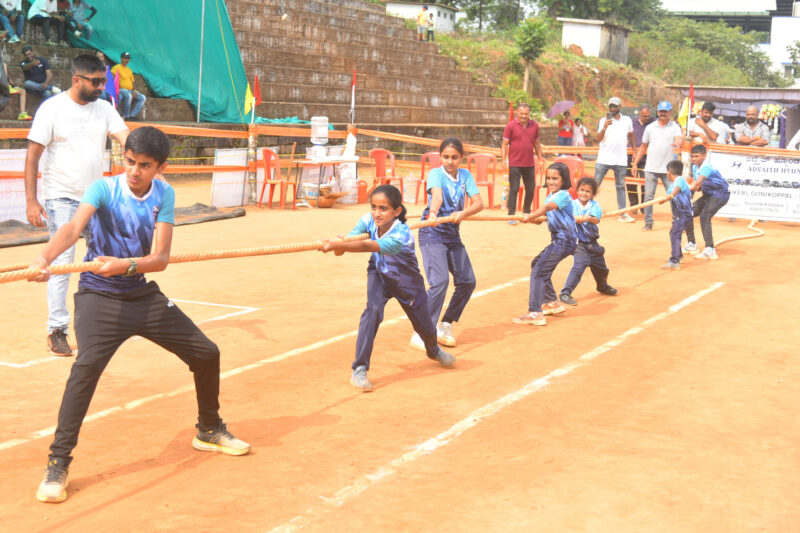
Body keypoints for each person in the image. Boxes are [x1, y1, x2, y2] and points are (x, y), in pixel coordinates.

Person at [28, 127, 250, 504]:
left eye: (145, 166)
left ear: (160, 167)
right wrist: (43, 259)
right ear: (123, 157)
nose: (134, 171)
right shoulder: (103, 189)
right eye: (130, 162)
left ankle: (209, 429)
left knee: (206, 353)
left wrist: (124, 265)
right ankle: (57, 462)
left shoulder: (164, 194)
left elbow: (159, 259)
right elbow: (72, 228)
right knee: (85, 370)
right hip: (98, 296)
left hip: (140, 293)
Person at [24, 54, 129, 357]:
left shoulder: (105, 108)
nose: (101, 87)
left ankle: (104, 320)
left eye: (103, 81)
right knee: (61, 263)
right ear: (77, 80)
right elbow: (32, 156)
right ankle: (57, 330)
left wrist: (146, 155)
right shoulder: (52, 109)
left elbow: (126, 138)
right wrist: (31, 200)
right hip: (61, 197)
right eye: (96, 82)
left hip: (96, 199)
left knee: (106, 258)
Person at [320, 184, 455, 392]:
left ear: (397, 211)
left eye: (383, 209)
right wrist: (339, 244)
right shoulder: (367, 220)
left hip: (406, 281)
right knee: (371, 312)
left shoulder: (402, 235)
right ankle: (360, 368)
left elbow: (366, 246)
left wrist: (340, 245)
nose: (377, 213)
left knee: (426, 327)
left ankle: (433, 349)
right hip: (379, 274)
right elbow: (347, 246)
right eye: (374, 207)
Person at [412, 137, 483, 350]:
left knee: (467, 281)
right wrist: (433, 213)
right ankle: (422, 331)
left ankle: (445, 324)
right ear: (440, 157)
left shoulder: (465, 176)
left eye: (454, 157)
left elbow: (479, 203)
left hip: (452, 233)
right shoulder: (436, 174)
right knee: (440, 281)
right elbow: (437, 196)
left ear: (461, 158)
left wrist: (464, 213)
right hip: (432, 232)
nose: (450, 162)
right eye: (445, 157)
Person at [512, 162, 577, 326]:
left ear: (564, 180)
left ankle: (535, 312)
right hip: (558, 240)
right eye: (549, 178)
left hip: (565, 240)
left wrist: (531, 214)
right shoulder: (550, 196)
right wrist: (532, 219)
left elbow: (547, 208)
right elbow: (544, 218)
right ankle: (551, 301)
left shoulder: (563, 195)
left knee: (539, 271)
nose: (551, 182)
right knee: (537, 264)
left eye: (555, 178)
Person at [558, 177, 617, 306]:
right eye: (582, 190)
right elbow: (565, 217)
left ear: (593, 193)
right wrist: (576, 218)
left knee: (602, 269)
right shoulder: (571, 205)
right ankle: (565, 292)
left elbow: (596, 219)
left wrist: (588, 218)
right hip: (578, 243)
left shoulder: (594, 206)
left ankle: (602, 286)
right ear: (577, 190)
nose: (584, 193)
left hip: (592, 243)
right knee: (580, 265)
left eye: (588, 191)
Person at [631, 100, 683, 232]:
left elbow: (679, 138)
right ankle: (648, 223)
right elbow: (643, 147)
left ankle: (676, 222)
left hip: (669, 171)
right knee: (648, 197)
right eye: (661, 111)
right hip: (651, 168)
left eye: (666, 111)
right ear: (658, 112)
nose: (663, 114)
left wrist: (678, 143)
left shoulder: (675, 127)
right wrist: (635, 163)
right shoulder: (650, 127)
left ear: (670, 112)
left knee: (673, 196)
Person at [683, 144, 730, 260]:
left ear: (704, 155)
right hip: (709, 195)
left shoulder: (707, 167)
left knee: (705, 216)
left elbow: (699, 181)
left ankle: (710, 249)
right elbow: (698, 187)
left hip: (720, 195)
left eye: (697, 156)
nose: (694, 159)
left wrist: (688, 187)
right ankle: (692, 244)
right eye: (692, 156)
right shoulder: (695, 168)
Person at [501, 102, 544, 224]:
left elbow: (537, 144)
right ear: (517, 113)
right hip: (514, 163)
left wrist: (541, 159)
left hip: (529, 163)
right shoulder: (510, 126)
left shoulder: (535, 126)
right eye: (521, 113)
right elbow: (504, 145)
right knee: (514, 189)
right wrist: (503, 160)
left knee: (530, 188)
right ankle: (511, 215)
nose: (524, 116)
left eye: (526, 114)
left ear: (529, 113)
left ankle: (526, 213)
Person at [594, 96, 636, 222]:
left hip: (621, 160)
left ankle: (622, 214)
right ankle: (584, 209)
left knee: (621, 187)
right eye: (610, 106)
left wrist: (634, 150)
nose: (612, 108)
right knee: (594, 185)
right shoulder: (603, 120)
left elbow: (631, 135)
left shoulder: (627, 120)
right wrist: (605, 127)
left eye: (615, 106)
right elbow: (597, 139)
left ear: (620, 107)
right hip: (604, 159)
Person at [657, 159, 692, 270]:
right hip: (679, 214)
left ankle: (675, 261)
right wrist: (661, 200)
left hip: (684, 214)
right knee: (673, 232)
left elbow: (675, 191)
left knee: (675, 234)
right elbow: (666, 196)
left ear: (668, 173)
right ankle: (678, 256)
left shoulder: (680, 180)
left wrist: (670, 196)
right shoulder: (672, 185)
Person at [627, 104, 653, 212]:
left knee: (645, 183)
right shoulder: (631, 123)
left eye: (648, 116)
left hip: (646, 158)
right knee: (630, 183)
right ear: (639, 114)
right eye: (645, 116)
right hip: (630, 157)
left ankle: (643, 207)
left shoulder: (653, 123)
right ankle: (634, 206)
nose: (647, 118)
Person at [111, 52, 147, 120]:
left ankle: (132, 115)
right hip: (121, 89)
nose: (127, 60)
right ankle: (126, 116)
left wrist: (135, 91)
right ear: (121, 58)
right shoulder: (116, 67)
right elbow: (111, 77)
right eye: (125, 58)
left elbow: (133, 82)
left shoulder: (129, 70)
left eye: (128, 59)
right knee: (129, 96)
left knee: (143, 97)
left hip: (130, 90)